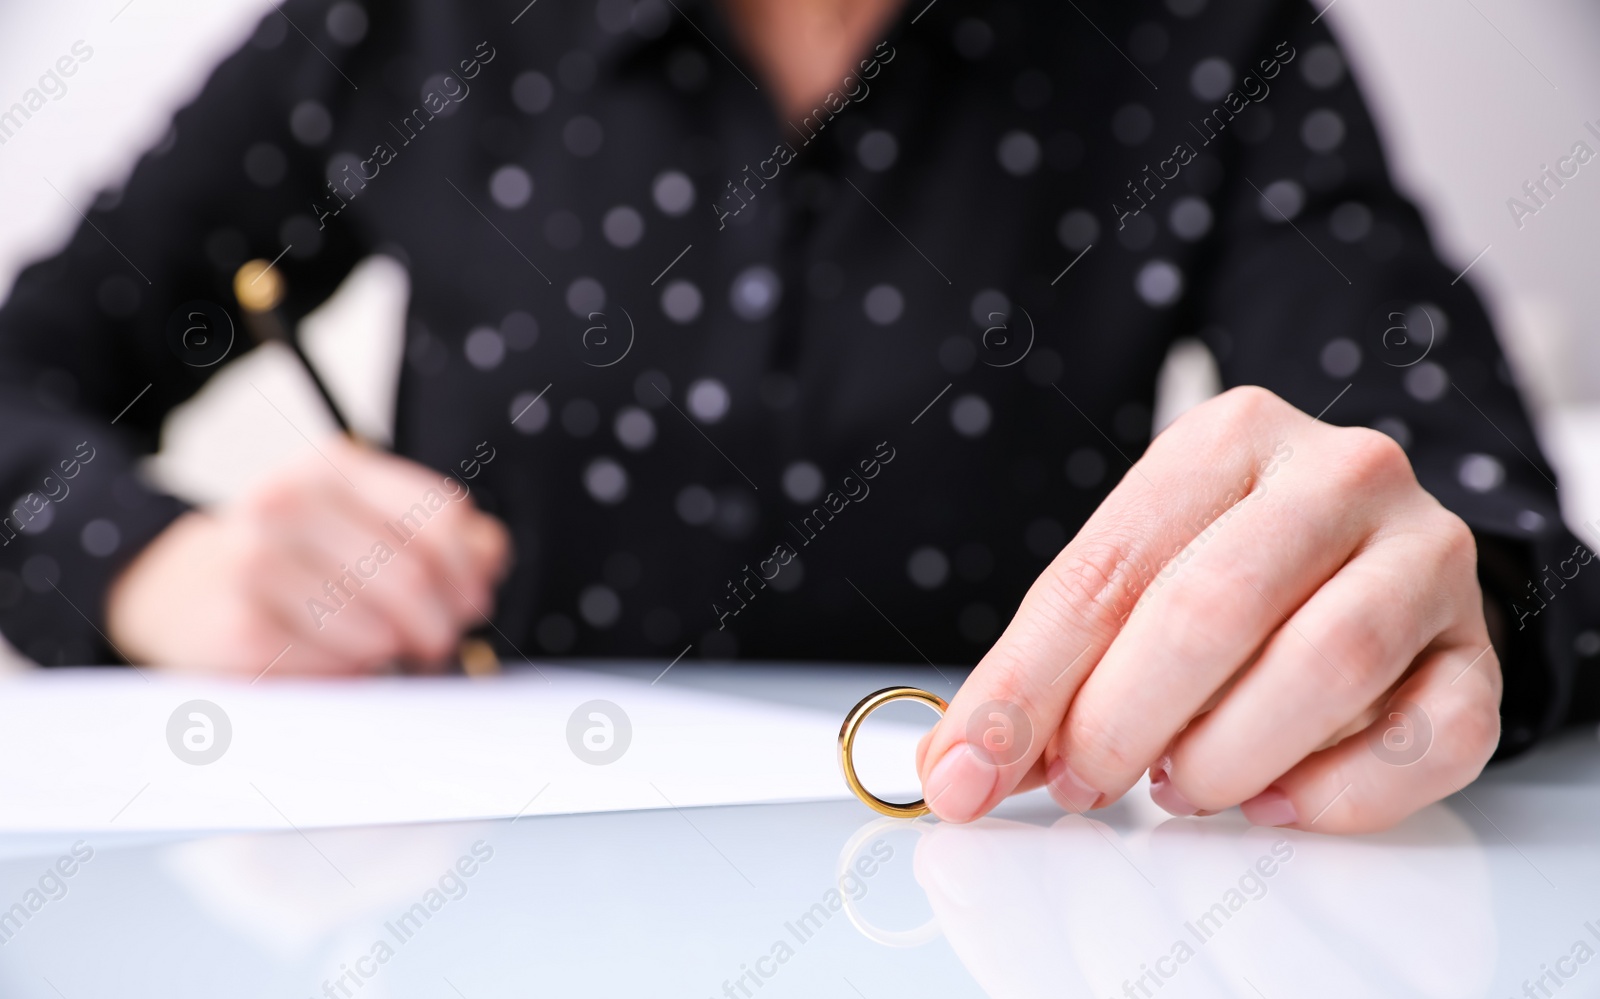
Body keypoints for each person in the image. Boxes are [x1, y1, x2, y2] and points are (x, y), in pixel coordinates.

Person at [0, 0, 1592, 833]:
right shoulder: (403, 21)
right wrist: (152, 562)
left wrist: (1457, 614)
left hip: (1021, 941)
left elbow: (1518, 551)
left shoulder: (1207, 35)